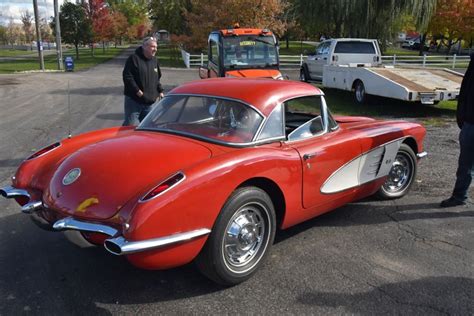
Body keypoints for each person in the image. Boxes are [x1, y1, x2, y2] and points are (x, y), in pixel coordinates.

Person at [440, 53, 474, 207]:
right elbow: (465, 91)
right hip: (470, 122)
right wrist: (462, 117)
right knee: (465, 164)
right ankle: (459, 196)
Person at [122, 36, 164, 126]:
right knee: (130, 126)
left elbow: (156, 77)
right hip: (134, 101)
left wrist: (160, 90)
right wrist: (137, 91)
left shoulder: (154, 60)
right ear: (144, 46)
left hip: (149, 102)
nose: (155, 49)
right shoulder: (134, 59)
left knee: (149, 127)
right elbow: (127, 77)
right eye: (153, 47)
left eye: (156, 47)